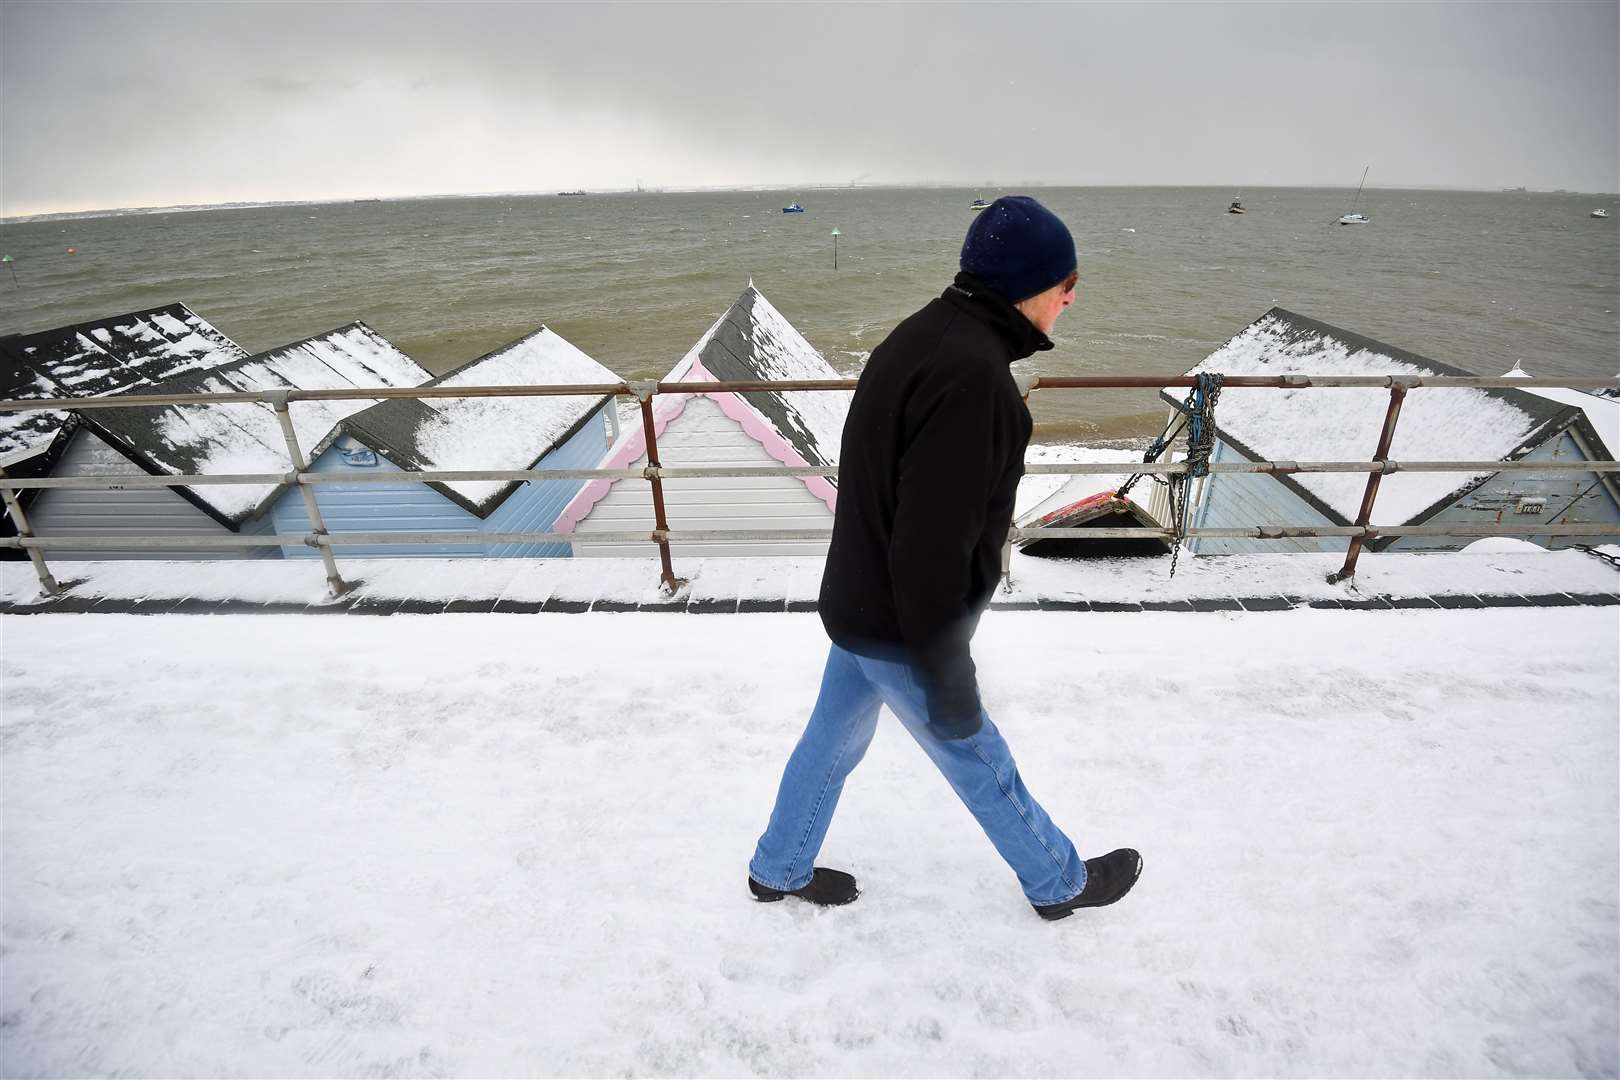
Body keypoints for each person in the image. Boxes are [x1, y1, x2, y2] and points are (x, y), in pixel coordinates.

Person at [746, 195, 1142, 921]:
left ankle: (778, 867)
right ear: (1032, 286)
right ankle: (1058, 883)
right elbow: (930, 552)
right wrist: (948, 675)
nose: (1071, 300)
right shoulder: (977, 384)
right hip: (900, 626)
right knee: (978, 758)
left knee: (829, 744)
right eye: (1067, 286)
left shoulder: (918, 337)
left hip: (858, 605)